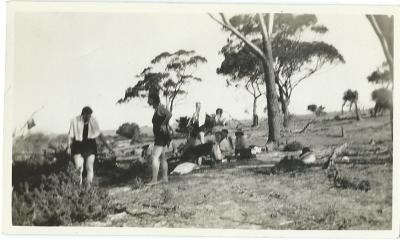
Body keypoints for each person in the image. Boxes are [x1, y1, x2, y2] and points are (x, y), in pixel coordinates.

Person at [67, 106, 114, 186]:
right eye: (87, 115)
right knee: (79, 169)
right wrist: (68, 147)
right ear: (83, 114)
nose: (89, 117)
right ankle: (78, 189)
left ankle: (88, 189)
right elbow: (70, 135)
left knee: (89, 167)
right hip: (77, 146)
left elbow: (100, 135)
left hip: (90, 147)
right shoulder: (74, 120)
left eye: (90, 115)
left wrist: (109, 147)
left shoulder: (93, 120)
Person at [148, 92, 172, 185]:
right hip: (162, 136)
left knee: (154, 156)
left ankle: (154, 180)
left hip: (161, 136)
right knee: (162, 157)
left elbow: (169, 114)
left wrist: (163, 124)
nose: (147, 101)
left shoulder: (160, 107)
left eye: (149, 99)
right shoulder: (157, 109)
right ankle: (165, 178)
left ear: (153, 99)